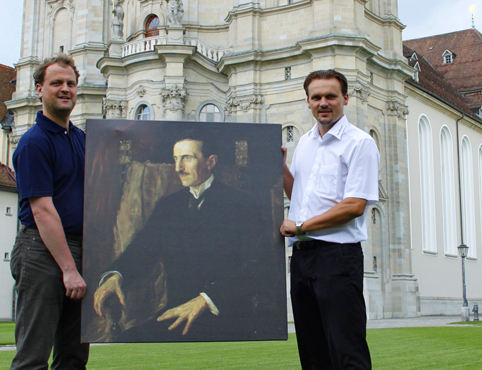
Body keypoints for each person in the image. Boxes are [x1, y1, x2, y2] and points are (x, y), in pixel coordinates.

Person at [92, 134, 270, 342]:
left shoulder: (241, 204)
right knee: (126, 342)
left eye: (187, 158)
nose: (178, 167)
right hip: (175, 315)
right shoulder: (169, 206)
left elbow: (260, 267)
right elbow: (142, 249)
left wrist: (206, 300)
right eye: (176, 159)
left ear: (210, 162)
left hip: (226, 318)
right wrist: (116, 275)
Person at [280, 70, 380, 369]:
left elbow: (355, 205)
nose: (323, 102)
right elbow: (297, 195)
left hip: (337, 258)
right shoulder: (306, 144)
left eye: (331, 96)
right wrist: (280, 168)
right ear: (308, 102)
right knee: (312, 353)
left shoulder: (359, 143)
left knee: (347, 351)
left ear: (345, 99)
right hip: (302, 258)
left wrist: (300, 227)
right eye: (316, 97)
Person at [10, 54, 89, 369]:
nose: (65, 88)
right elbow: (42, 211)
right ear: (40, 89)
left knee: (73, 356)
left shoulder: (81, 139)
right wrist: (69, 270)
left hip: (80, 249)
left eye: (71, 83)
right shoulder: (34, 143)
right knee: (33, 358)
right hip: (41, 252)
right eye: (57, 83)